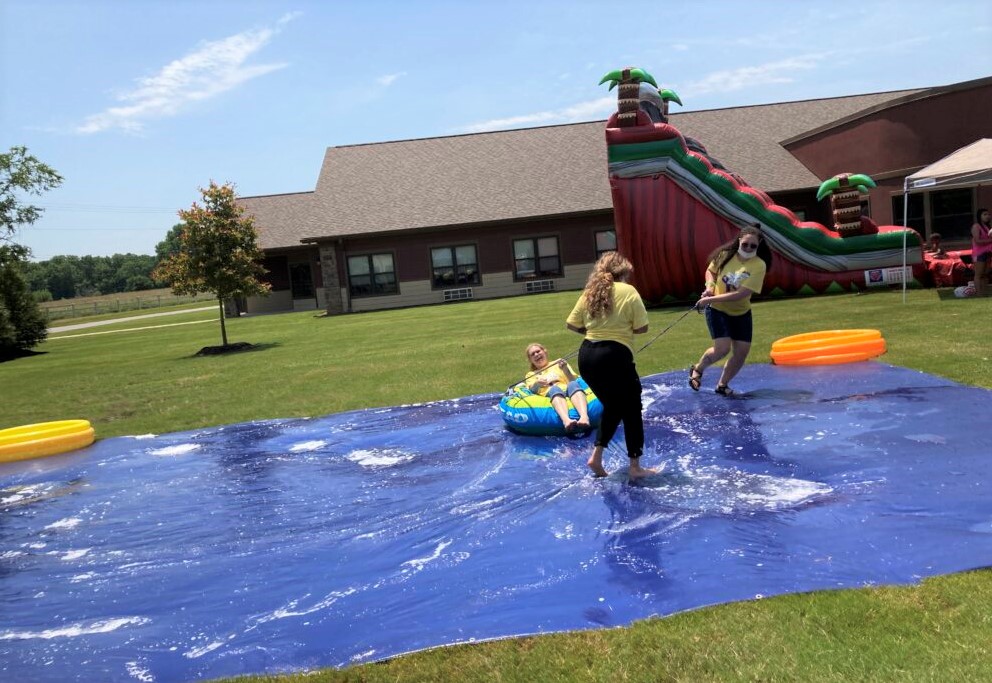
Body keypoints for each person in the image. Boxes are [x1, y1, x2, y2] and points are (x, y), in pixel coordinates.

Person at [566, 252, 651, 478]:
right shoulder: (628, 291)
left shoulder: (590, 292)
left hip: (587, 356)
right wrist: (619, 332)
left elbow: (572, 324)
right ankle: (635, 467)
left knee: (613, 407)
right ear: (622, 272)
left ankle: (596, 458)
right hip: (615, 355)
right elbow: (642, 327)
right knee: (632, 408)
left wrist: (595, 332)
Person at [689, 224, 772, 396]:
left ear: (759, 246)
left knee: (741, 353)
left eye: (753, 246)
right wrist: (710, 287)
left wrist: (708, 299)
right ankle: (698, 369)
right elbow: (710, 271)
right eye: (745, 244)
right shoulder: (725, 255)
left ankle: (722, 384)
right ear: (739, 241)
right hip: (718, 310)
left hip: (741, 312)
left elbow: (741, 294)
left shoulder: (759, 265)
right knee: (722, 349)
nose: (748, 248)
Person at [517, 343, 590, 432]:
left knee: (573, 385)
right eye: (533, 354)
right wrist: (537, 384)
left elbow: (573, 380)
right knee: (554, 389)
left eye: (538, 351)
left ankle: (584, 417)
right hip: (551, 394)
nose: (536, 355)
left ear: (545, 352)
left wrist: (565, 368)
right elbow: (532, 390)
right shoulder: (531, 374)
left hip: (567, 389)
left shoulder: (558, 364)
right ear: (530, 360)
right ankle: (566, 421)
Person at [971, 208, 992, 297]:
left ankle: (984, 292)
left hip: (988, 253)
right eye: (984, 214)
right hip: (979, 253)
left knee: (985, 273)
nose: (987, 216)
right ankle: (979, 294)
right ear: (979, 216)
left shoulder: (988, 227)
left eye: (988, 214)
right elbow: (977, 241)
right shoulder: (976, 226)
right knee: (979, 274)